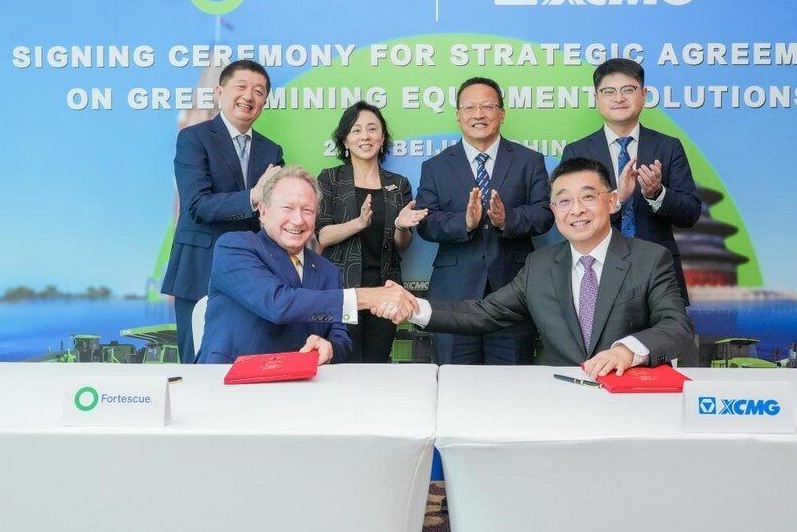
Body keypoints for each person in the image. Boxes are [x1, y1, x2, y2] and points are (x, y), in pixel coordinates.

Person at [377, 157, 697, 377]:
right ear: (553, 210)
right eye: (564, 201)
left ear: (612, 201)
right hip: (560, 404)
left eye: (588, 197)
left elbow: (677, 329)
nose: (576, 210)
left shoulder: (650, 259)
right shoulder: (541, 265)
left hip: (628, 406)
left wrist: (627, 351)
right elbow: (484, 313)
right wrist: (415, 308)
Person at [197, 165, 418, 365]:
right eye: (287, 208)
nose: (298, 220)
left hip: (301, 389)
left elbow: (342, 340)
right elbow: (279, 304)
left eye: (307, 211)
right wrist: (369, 297)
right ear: (263, 212)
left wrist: (329, 348)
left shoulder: (328, 271)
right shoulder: (234, 247)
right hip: (229, 384)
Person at [414, 77, 554, 365]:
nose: (479, 114)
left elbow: (545, 214)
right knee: (455, 381)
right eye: (470, 108)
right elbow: (426, 222)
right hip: (454, 294)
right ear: (458, 115)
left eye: (488, 106)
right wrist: (464, 223)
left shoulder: (529, 161)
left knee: (511, 381)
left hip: (513, 291)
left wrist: (507, 219)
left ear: (501, 113)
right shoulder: (435, 166)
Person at [161, 60, 286, 363]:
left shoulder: (272, 151)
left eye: (258, 91)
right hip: (199, 268)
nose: (249, 96)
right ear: (220, 92)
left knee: (246, 362)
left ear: (264, 102)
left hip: (252, 275)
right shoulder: (193, 138)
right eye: (241, 87)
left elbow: (272, 215)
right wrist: (253, 196)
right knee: (197, 364)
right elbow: (196, 205)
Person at [561, 58, 701, 303]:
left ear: (643, 95)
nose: (619, 98)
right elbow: (570, 217)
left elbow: (690, 213)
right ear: (596, 98)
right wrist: (616, 200)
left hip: (658, 271)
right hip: (598, 270)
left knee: (664, 329)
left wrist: (657, 193)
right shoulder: (577, 152)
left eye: (628, 89)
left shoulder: (668, 147)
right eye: (609, 91)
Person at [316, 102, 428, 363]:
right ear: (345, 140)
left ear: (382, 138)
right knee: (343, 363)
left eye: (372, 129)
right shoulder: (330, 179)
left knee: (377, 365)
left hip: (386, 290)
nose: (364, 136)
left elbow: (402, 244)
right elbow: (322, 236)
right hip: (342, 288)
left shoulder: (397, 183)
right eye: (356, 130)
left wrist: (401, 226)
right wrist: (358, 223)